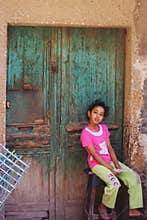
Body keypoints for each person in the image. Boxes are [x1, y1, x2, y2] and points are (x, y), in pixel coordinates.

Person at [80, 99, 143, 220]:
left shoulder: (103, 129)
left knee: (134, 177)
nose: (97, 116)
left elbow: (109, 148)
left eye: (101, 114)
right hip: (97, 164)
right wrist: (110, 169)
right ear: (89, 113)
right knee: (114, 184)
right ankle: (103, 206)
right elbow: (96, 156)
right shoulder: (85, 134)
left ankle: (133, 209)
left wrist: (116, 164)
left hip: (110, 162)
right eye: (95, 112)